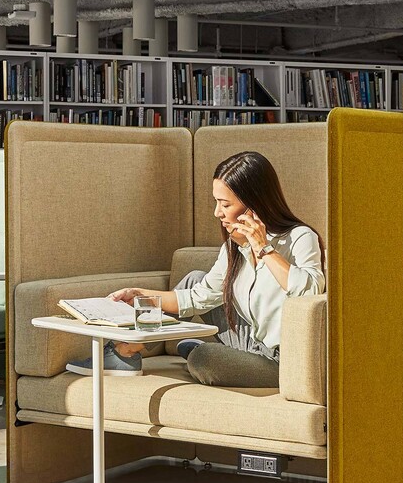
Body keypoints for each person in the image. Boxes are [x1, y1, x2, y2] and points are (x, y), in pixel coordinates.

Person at [66, 151, 324, 388]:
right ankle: (126, 352)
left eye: (225, 204)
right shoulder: (234, 248)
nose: (217, 213)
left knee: (202, 359)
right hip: (249, 338)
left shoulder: (299, 237)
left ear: (253, 205)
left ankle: (201, 351)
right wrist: (141, 295)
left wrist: (263, 248)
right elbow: (199, 297)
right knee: (193, 280)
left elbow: (309, 291)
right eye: (216, 202)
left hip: (281, 359)